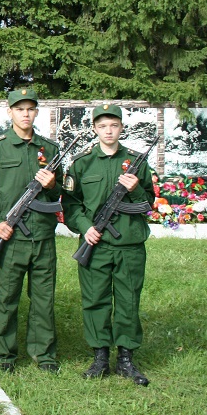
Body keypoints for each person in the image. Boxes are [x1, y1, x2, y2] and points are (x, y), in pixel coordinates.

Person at [63, 104, 155, 386]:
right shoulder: (81, 163)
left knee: (128, 299)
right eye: (102, 126)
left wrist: (134, 187)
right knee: (95, 299)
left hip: (129, 243)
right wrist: (85, 228)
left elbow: (148, 203)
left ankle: (126, 358)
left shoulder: (137, 161)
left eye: (113, 125)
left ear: (121, 128)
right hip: (96, 243)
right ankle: (100, 356)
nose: (108, 131)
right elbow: (71, 204)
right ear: (95, 129)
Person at [0, 88, 62, 374]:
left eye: (30, 109)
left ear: (36, 112)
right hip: (10, 238)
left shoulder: (49, 149)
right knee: (7, 298)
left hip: (43, 237)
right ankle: (5, 355)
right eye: (20, 109)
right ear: (9, 112)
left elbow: (62, 193)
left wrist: (51, 186)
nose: (25, 114)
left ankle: (44, 354)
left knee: (43, 298)